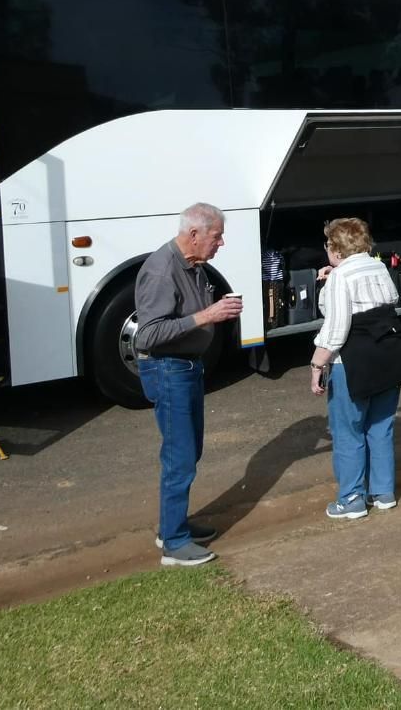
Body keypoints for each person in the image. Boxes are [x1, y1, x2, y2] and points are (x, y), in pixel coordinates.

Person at [135, 203, 243, 566]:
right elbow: (148, 334)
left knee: (189, 450)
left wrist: (213, 312)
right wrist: (207, 315)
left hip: (185, 368)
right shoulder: (162, 269)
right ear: (194, 235)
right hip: (168, 370)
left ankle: (173, 526)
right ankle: (174, 546)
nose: (221, 243)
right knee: (179, 455)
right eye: (217, 236)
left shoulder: (191, 265)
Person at [310, 217, 401, 519]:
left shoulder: (340, 277)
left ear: (335, 248)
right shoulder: (378, 266)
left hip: (351, 362)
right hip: (389, 355)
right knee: (381, 426)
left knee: (348, 430)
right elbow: (390, 298)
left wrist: (316, 364)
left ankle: (351, 498)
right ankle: (383, 491)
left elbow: (336, 328)